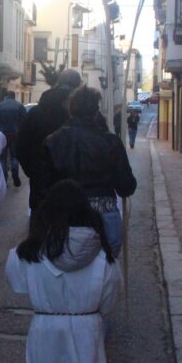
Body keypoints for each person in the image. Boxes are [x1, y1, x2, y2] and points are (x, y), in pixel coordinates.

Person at [6, 179, 123, 363]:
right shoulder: (103, 258)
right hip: (87, 327)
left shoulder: (27, 254)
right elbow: (110, 301)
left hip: (45, 328)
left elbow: (18, 284)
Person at [45, 87, 137, 256]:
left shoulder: (53, 141)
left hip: (66, 219)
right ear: (96, 112)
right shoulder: (111, 142)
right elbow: (126, 187)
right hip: (106, 220)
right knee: (103, 273)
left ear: (70, 111)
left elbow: (44, 185)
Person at [16, 68, 82, 211]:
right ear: (78, 85)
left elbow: (21, 146)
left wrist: (34, 171)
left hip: (41, 187)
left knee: (42, 228)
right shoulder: (84, 116)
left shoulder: (35, 113)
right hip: (77, 189)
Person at [0, 90, 27, 186]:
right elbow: (24, 122)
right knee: (14, 156)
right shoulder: (20, 106)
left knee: (2, 157)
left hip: (2, 134)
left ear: (6, 96)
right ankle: (15, 171)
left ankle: (4, 179)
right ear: (14, 96)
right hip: (15, 134)